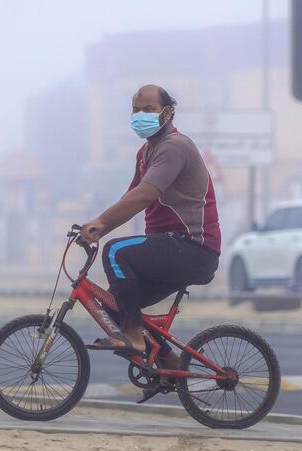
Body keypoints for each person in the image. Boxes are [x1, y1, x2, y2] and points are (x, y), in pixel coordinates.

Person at [80, 84, 221, 382]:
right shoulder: (147, 152)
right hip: (170, 248)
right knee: (115, 304)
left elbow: (144, 195)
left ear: (168, 112)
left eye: (149, 110)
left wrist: (101, 226)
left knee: (116, 252)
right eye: (136, 110)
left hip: (192, 248)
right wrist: (97, 225)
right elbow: (130, 198)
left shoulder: (174, 147)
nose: (140, 115)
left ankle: (134, 336)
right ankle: (170, 363)